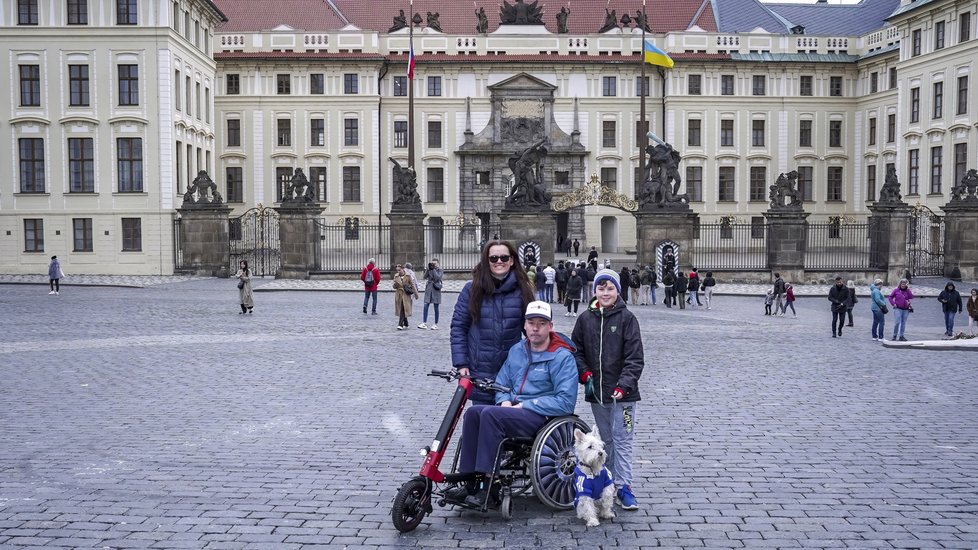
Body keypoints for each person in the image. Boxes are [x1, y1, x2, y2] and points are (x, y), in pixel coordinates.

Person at [447, 301, 578, 506]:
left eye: (541, 323)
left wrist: (526, 405)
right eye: (531, 322)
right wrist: (504, 400)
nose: (535, 328)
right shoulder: (518, 350)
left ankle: (490, 487)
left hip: (541, 416)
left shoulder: (562, 357)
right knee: (474, 414)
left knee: (490, 415)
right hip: (513, 411)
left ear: (550, 326)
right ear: (524, 325)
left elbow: (565, 402)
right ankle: (470, 481)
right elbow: (502, 382)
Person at [572, 268, 645, 511]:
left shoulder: (627, 319)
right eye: (601, 288)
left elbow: (635, 358)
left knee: (623, 439)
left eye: (610, 288)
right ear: (595, 291)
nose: (606, 293)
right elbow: (577, 351)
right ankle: (609, 485)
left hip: (624, 397)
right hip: (598, 394)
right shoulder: (584, 319)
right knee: (606, 442)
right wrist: (585, 373)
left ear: (618, 291)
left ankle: (624, 487)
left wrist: (624, 386)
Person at [450, 240, 535, 404]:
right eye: (493, 258)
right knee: (483, 421)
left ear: (511, 260)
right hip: (480, 369)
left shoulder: (523, 289)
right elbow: (459, 328)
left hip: (512, 369)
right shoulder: (471, 289)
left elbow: (533, 329)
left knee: (511, 424)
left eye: (504, 258)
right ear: (486, 261)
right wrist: (461, 363)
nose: (499, 262)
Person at [419, 259, 443, 329]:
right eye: (432, 264)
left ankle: (436, 323)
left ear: (438, 264)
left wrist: (433, 270)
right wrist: (428, 269)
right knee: (426, 305)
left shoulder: (440, 270)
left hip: (436, 289)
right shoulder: (430, 269)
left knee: (436, 307)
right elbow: (424, 277)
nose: (433, 265)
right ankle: (424, 322)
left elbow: (437, 278)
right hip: (429, 289)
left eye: (435, 264)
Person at [392, 264, 417, 330]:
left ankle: (400, 324)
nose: (398, 271)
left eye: (399, 270)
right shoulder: (396, 276)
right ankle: (406, 323)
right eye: (397, 270)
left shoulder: (408, 276)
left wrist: (416, 294)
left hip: (406, 294)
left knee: (403, 308)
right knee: (401, 308)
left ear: (403, 269)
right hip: (399, 294)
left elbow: (412, 285)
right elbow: (394, 287)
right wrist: (395, 284)